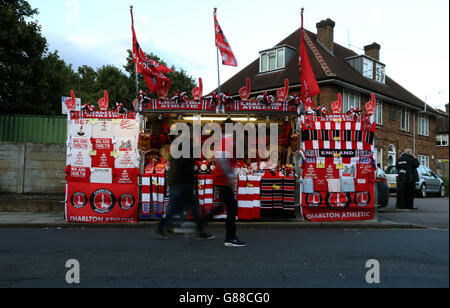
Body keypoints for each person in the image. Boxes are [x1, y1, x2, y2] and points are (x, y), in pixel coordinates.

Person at [152, 125, 215, 240]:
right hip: (182, 182)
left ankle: (165, 226)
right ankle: (199, 231)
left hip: (177, 181)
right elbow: (185, 165)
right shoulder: (186, 145)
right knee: (193, 208)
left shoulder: (179, 144)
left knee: (174, 208)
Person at [202, 123, 247, 247]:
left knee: (222, 206)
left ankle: (200, 224)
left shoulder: (224, 139)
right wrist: (230, 175)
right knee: (232, 207)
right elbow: (222, 158)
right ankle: (230, 237)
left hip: (220, 177)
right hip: (222, 177)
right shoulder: (228, 140)